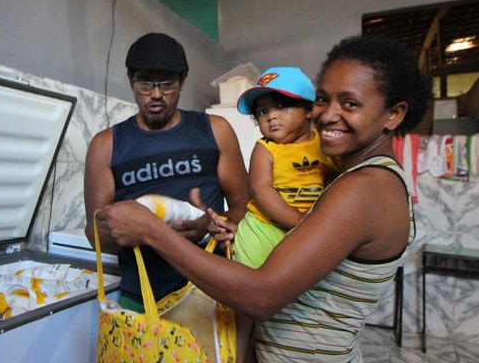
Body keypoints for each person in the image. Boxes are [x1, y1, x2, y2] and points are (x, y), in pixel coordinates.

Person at [96, 34, 432, 362]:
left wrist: (153, 231)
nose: (326, 115)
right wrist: (237, 231)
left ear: (394, 114)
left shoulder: (366, 188)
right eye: (322, 99)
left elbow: (260, 296)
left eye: (350, 104)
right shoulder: (351, 177)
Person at [83, 32, 249, 312]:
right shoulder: (106, 145)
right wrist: (137, 228)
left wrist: (208, 225)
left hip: (209, 292)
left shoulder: (215, 131)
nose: (156, 94)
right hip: (139, 300)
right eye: (145, 82)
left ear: (183, 81)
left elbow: (244, 205)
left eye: (167, 83)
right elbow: (94, 234)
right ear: (131, 80)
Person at [233, 67, 339, 360]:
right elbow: (262, 191)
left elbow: (339, 183)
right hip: (263, 229)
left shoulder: (325, 145)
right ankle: (240, 356)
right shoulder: (265, 148)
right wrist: (298, 221)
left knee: (295, 300)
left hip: (306, 232)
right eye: (263, 111)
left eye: (281, 105)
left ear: (309, 110)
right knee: (246, 304)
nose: (270, 116)